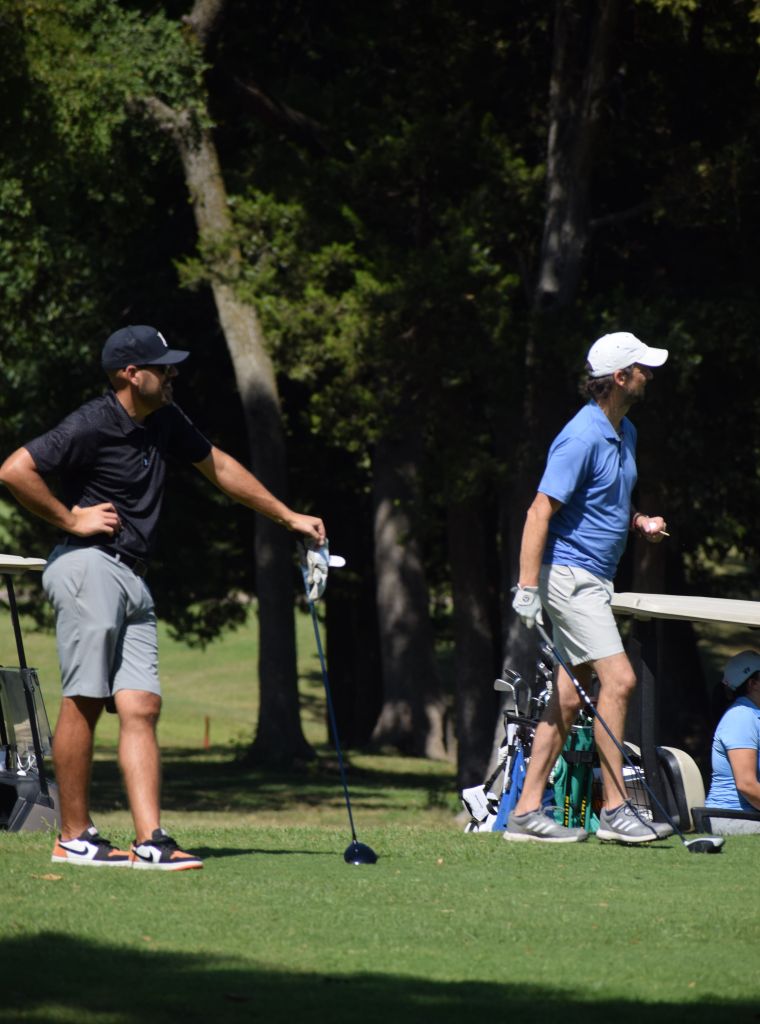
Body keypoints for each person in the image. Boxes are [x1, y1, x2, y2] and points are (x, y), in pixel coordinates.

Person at [0, 325, 325, 870]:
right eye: (162, 366)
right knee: (84, 696)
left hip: (132, 575)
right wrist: (70, 518)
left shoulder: (165, 422)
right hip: (88, 567)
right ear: (131, 374)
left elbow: (219, 467)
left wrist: (287, 516)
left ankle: (152, 839)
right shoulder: (93, 421)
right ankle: (73, 836)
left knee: (141, 705)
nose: (172, 374)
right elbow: (15, 469)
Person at [508, 331, 673, 844]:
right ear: (620, 377)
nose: (650, 373)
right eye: (642, 367)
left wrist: (639, 520)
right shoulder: (580, 436)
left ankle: (526, 812)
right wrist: (528, 587)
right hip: (569, 577)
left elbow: (604, 504)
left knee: (567, 699)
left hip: (596, 577)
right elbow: (540, 511)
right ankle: (618, 809)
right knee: (620, 680)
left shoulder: (625, 432)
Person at [704, 651, 760, 835]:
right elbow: (747, 785)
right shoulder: (742, 717)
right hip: (733, 817)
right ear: (753, 684)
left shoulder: (752, 715)